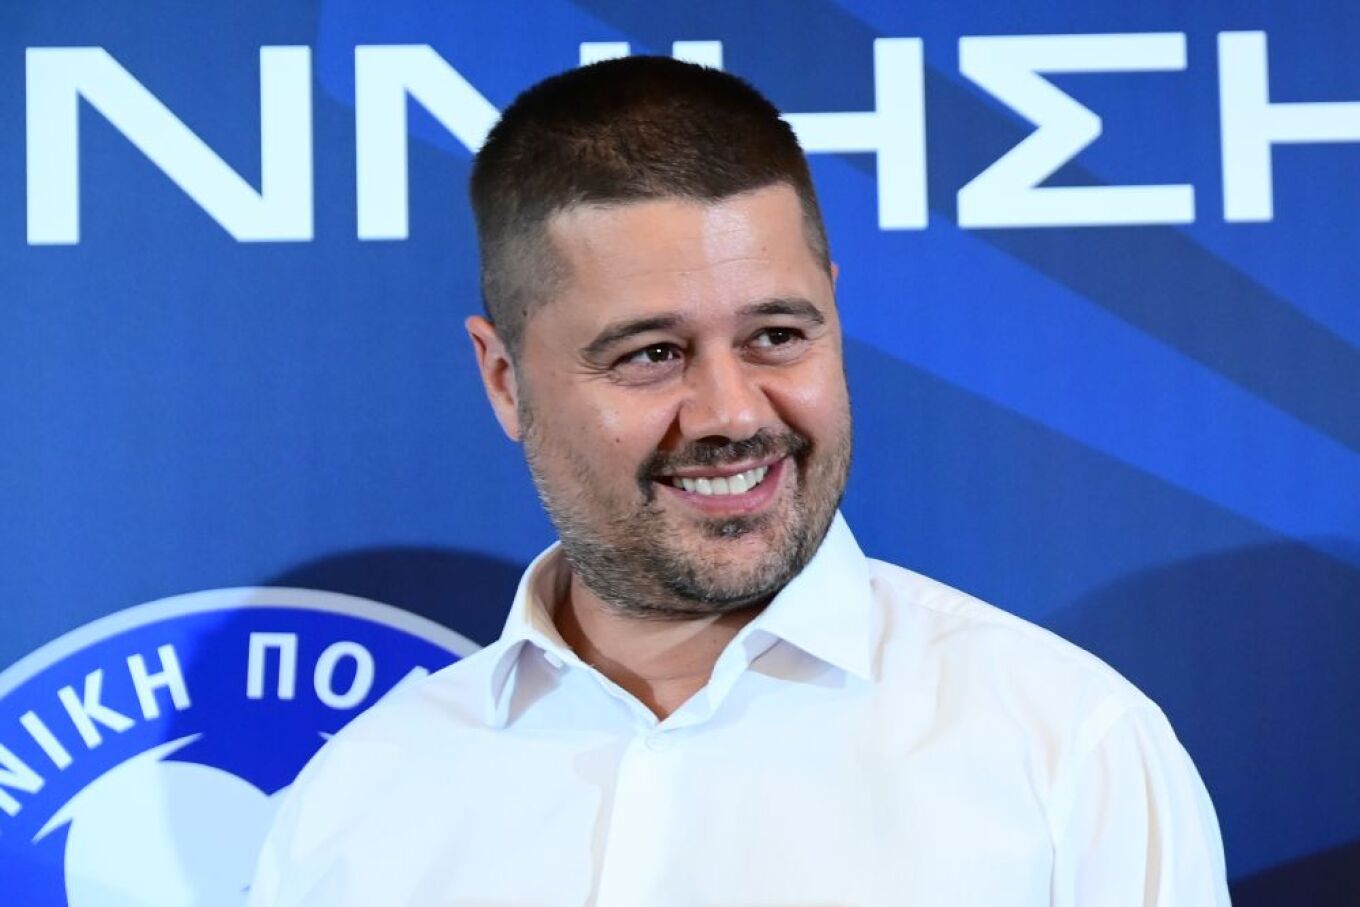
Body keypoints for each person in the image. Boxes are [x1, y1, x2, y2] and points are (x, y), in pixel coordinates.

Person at [248, 56, 1230, 906]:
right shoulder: (361, 802)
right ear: (505, 380)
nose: (732, 412)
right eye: (651, 354)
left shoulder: (1064, 749)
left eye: (776, 335)